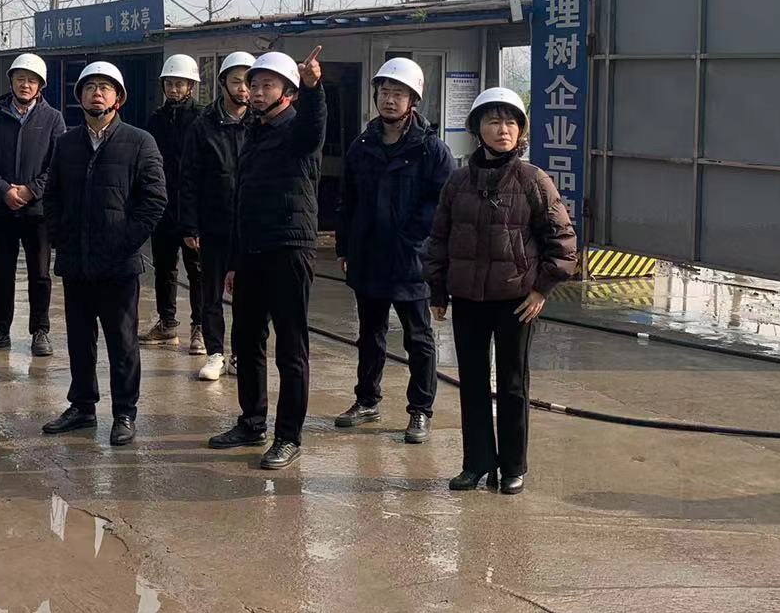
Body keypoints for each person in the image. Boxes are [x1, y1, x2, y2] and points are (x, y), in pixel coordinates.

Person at [424, 86, 577, 494]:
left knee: (512, 384)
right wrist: (437, 290)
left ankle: (512, 466)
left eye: (510, 122)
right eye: (493, 121)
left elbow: (563, 242)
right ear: (478, 129)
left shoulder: (533, 180)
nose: (503, 129)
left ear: (520, 130)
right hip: (468, 299)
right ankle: (476, 463)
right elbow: (439, 239)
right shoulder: (458, 182)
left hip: (516, 301)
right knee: (472, 383)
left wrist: (541, 290)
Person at [208, 46, 326, 470]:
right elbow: (241, 201)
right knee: (246, 340)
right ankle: (252, 421)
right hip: (252, 252)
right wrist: (234, 261)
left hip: (289, 250)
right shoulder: (253, 133)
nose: (256, 92)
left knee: (290, 348)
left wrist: (314, 89)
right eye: (253, 85)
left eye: (267, 86)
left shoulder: (296, 128)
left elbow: (314, 126)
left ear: (287, 92)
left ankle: (288, 436)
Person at [41, 61, 167, 447]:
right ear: (79, 97)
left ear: (118, 98)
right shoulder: (66, 144)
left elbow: (154, 200)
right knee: (80, 339)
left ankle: (124, 413)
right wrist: (62, 238)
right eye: (90, 87)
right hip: (76, 262)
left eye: (105, 87)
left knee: (122, 341)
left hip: (119, 265)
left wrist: (124, 242)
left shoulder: (140, 142)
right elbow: (52, 197)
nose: (97, 93)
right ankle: (82, 406)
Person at [334, 59, 454, 443]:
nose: (389, 99)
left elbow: (441, 207)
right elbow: (348, 201)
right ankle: (367, 400)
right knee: (370, 334)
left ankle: (420, 410)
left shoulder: (432, 151)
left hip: (410, 261)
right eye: (384, 92)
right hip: (368, 256)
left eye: (398, 93)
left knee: (418, 338)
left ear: (413, 99)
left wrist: (413, 241)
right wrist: (344, 246)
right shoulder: (362, 146)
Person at [0, 53, 67, 358]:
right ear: (11, 82)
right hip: (2, 208)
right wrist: (3, 190)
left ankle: (40, 330)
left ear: (40, 85)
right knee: (3, 271)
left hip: (38, 211)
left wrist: (30, 190)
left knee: (40, 272)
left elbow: (57, 165)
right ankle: (0, 330)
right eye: (20, 79)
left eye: (32, 80)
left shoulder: (53, 119)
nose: (25, 85)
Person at [179, 51, 255, 381]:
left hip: (250, 226)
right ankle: (215, 353)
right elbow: (188, 177)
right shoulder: (203, 125)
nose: (244, 89)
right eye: (236, 81)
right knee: (210, 292)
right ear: (223, 82)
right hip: (213, 223)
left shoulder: (260, 123)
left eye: (249, 82)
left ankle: (240, 354)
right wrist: (189, 224)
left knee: (248, 295)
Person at [140, 54, 207, 353]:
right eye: (169, 83)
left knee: (197, 271)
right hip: (163, 207)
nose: (174, 89)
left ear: (191, 86)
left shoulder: (203, 120)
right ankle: (167, 324)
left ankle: (200, 328)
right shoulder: (156, 120)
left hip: (193, 208)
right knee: (164, 269)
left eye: (179, 83)